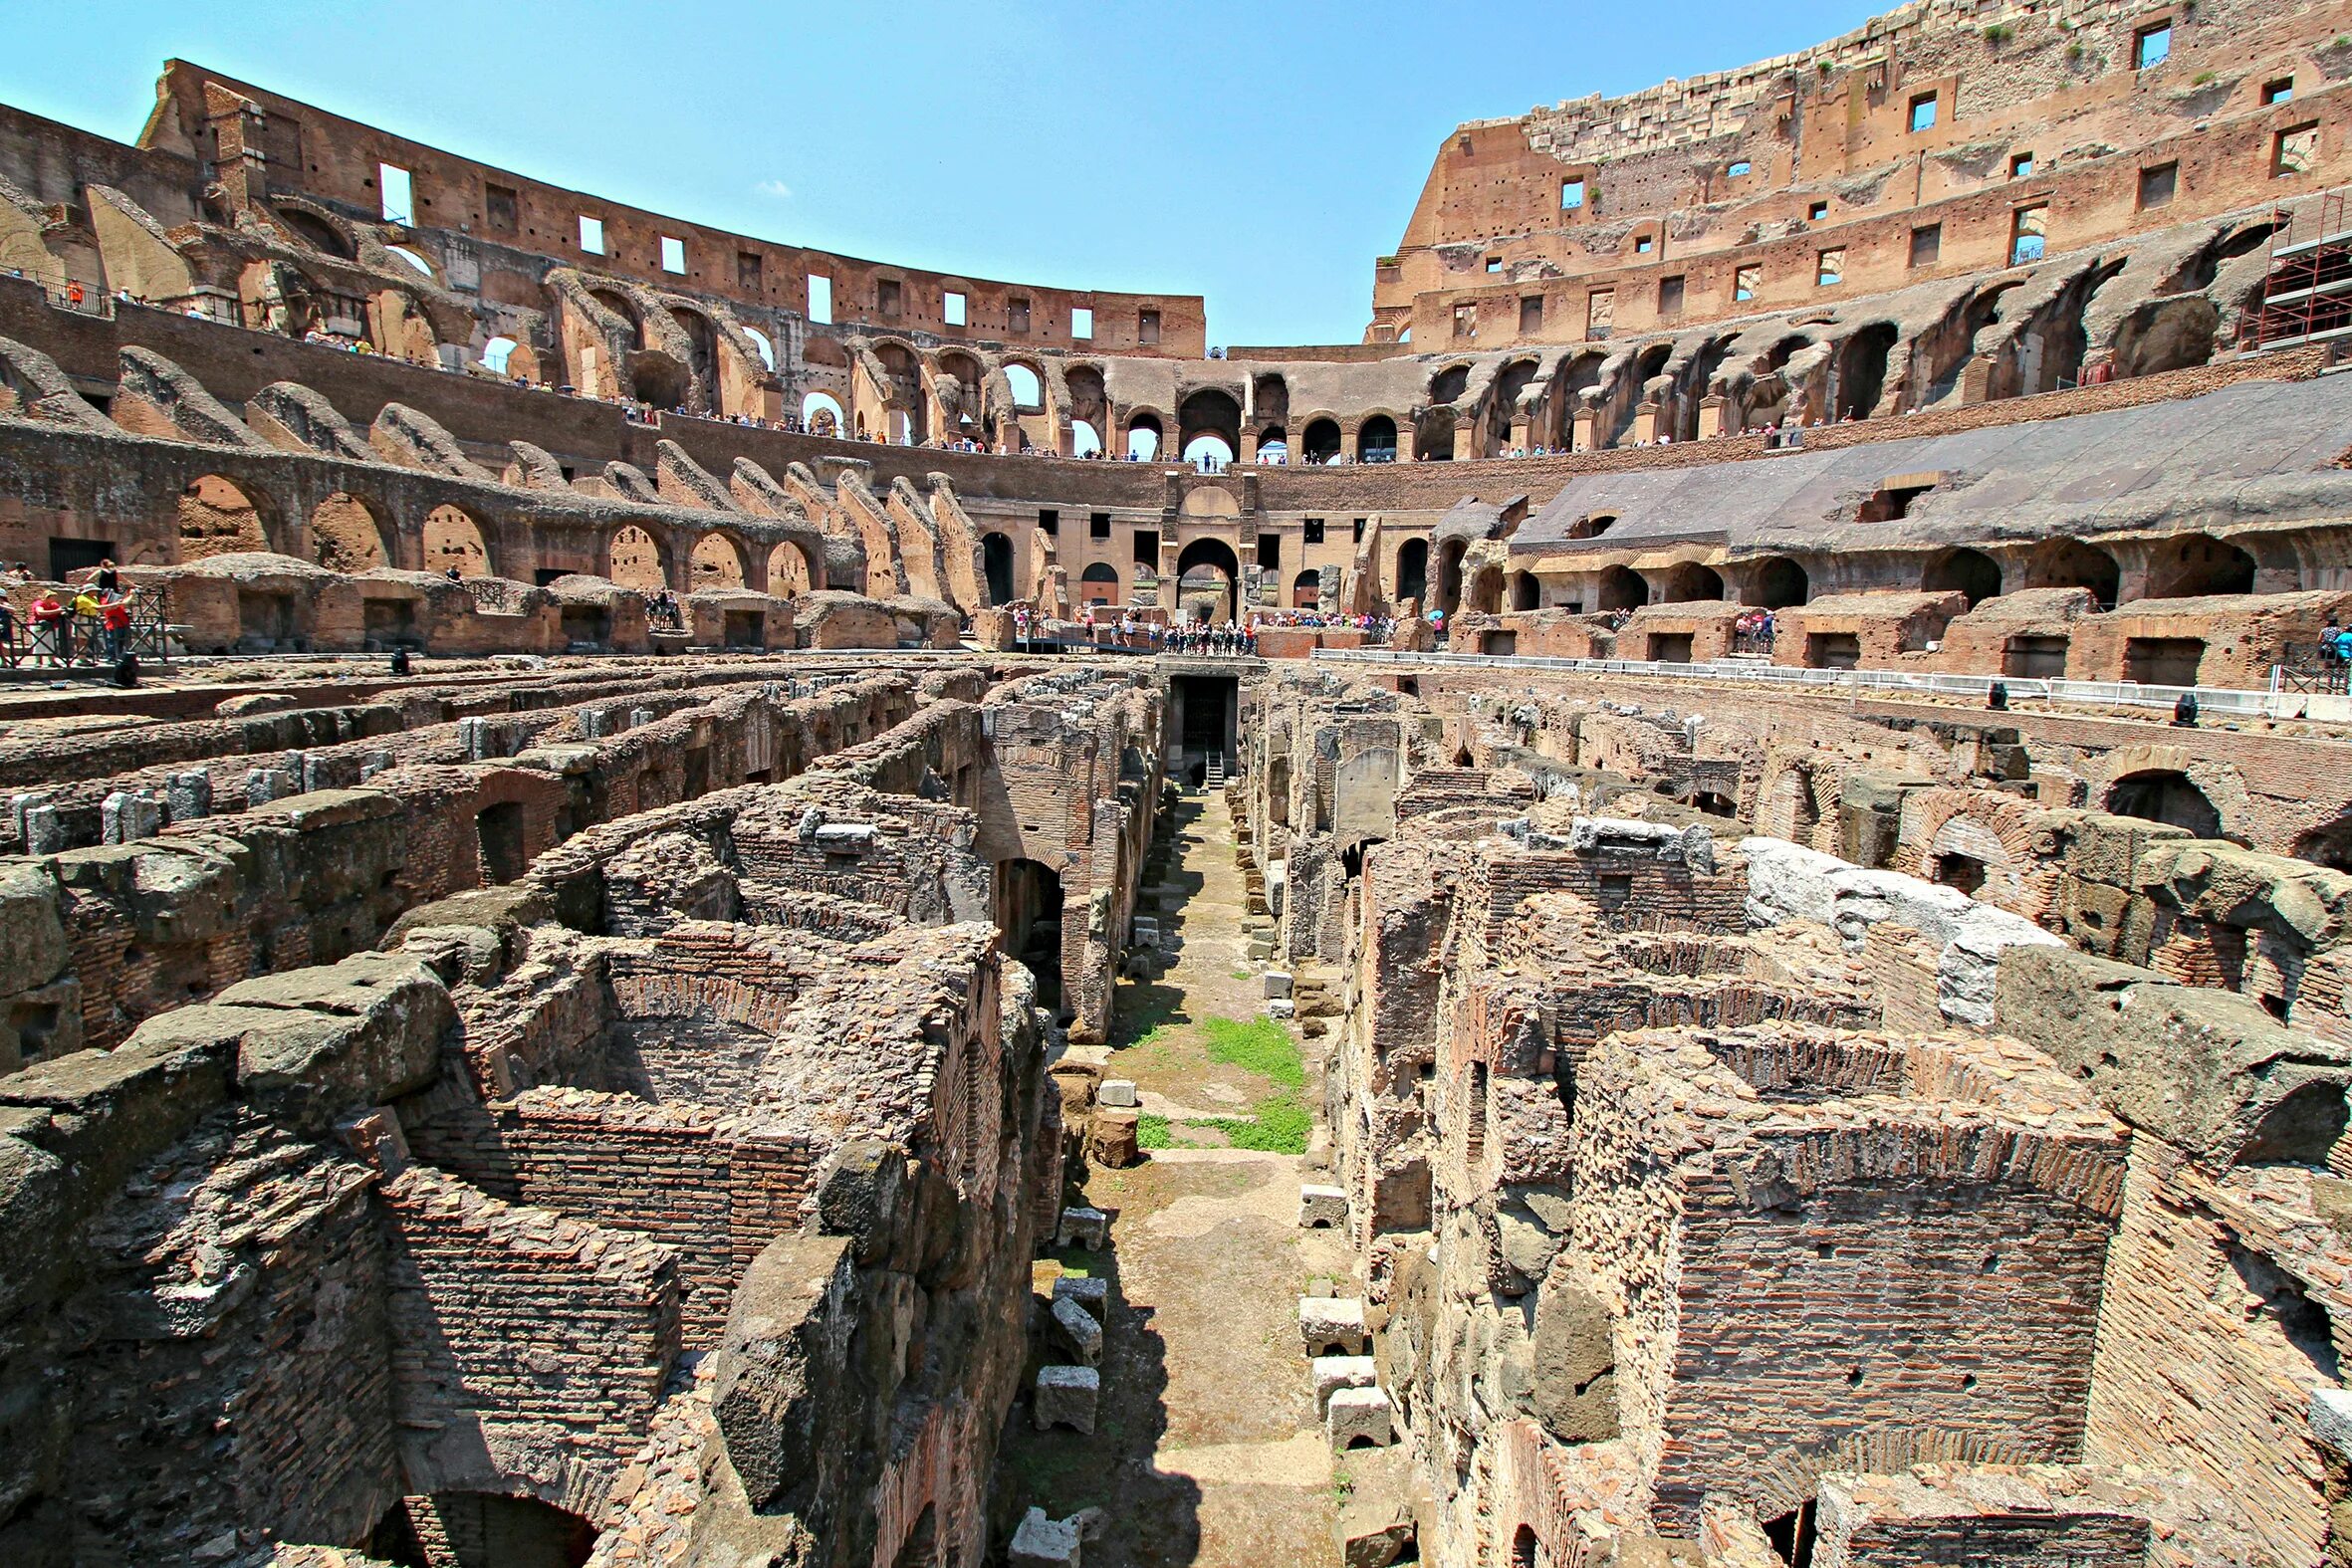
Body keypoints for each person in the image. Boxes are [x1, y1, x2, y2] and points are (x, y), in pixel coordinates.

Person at [28, 588, 67, 666]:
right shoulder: (39, 603)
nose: (55, 598)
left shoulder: (54, 605)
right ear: (47, 597)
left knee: (52, 643)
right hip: (39, 625)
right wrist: (57, 611)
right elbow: (40, 612)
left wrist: (64, 612)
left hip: (52, 626)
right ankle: (38, 661)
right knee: (38, 643)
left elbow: (59, 611)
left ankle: (52, 661)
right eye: (53, 597)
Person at [99, 588, 133, 662]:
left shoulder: (116, 601)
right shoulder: (105, 601)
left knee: (121, 643)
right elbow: (124, 602)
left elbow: (123, 604)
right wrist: (131, 595)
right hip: (114, 625)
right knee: (113, 642)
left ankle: (119, 657)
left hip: (123, 624)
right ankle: (111, 657)